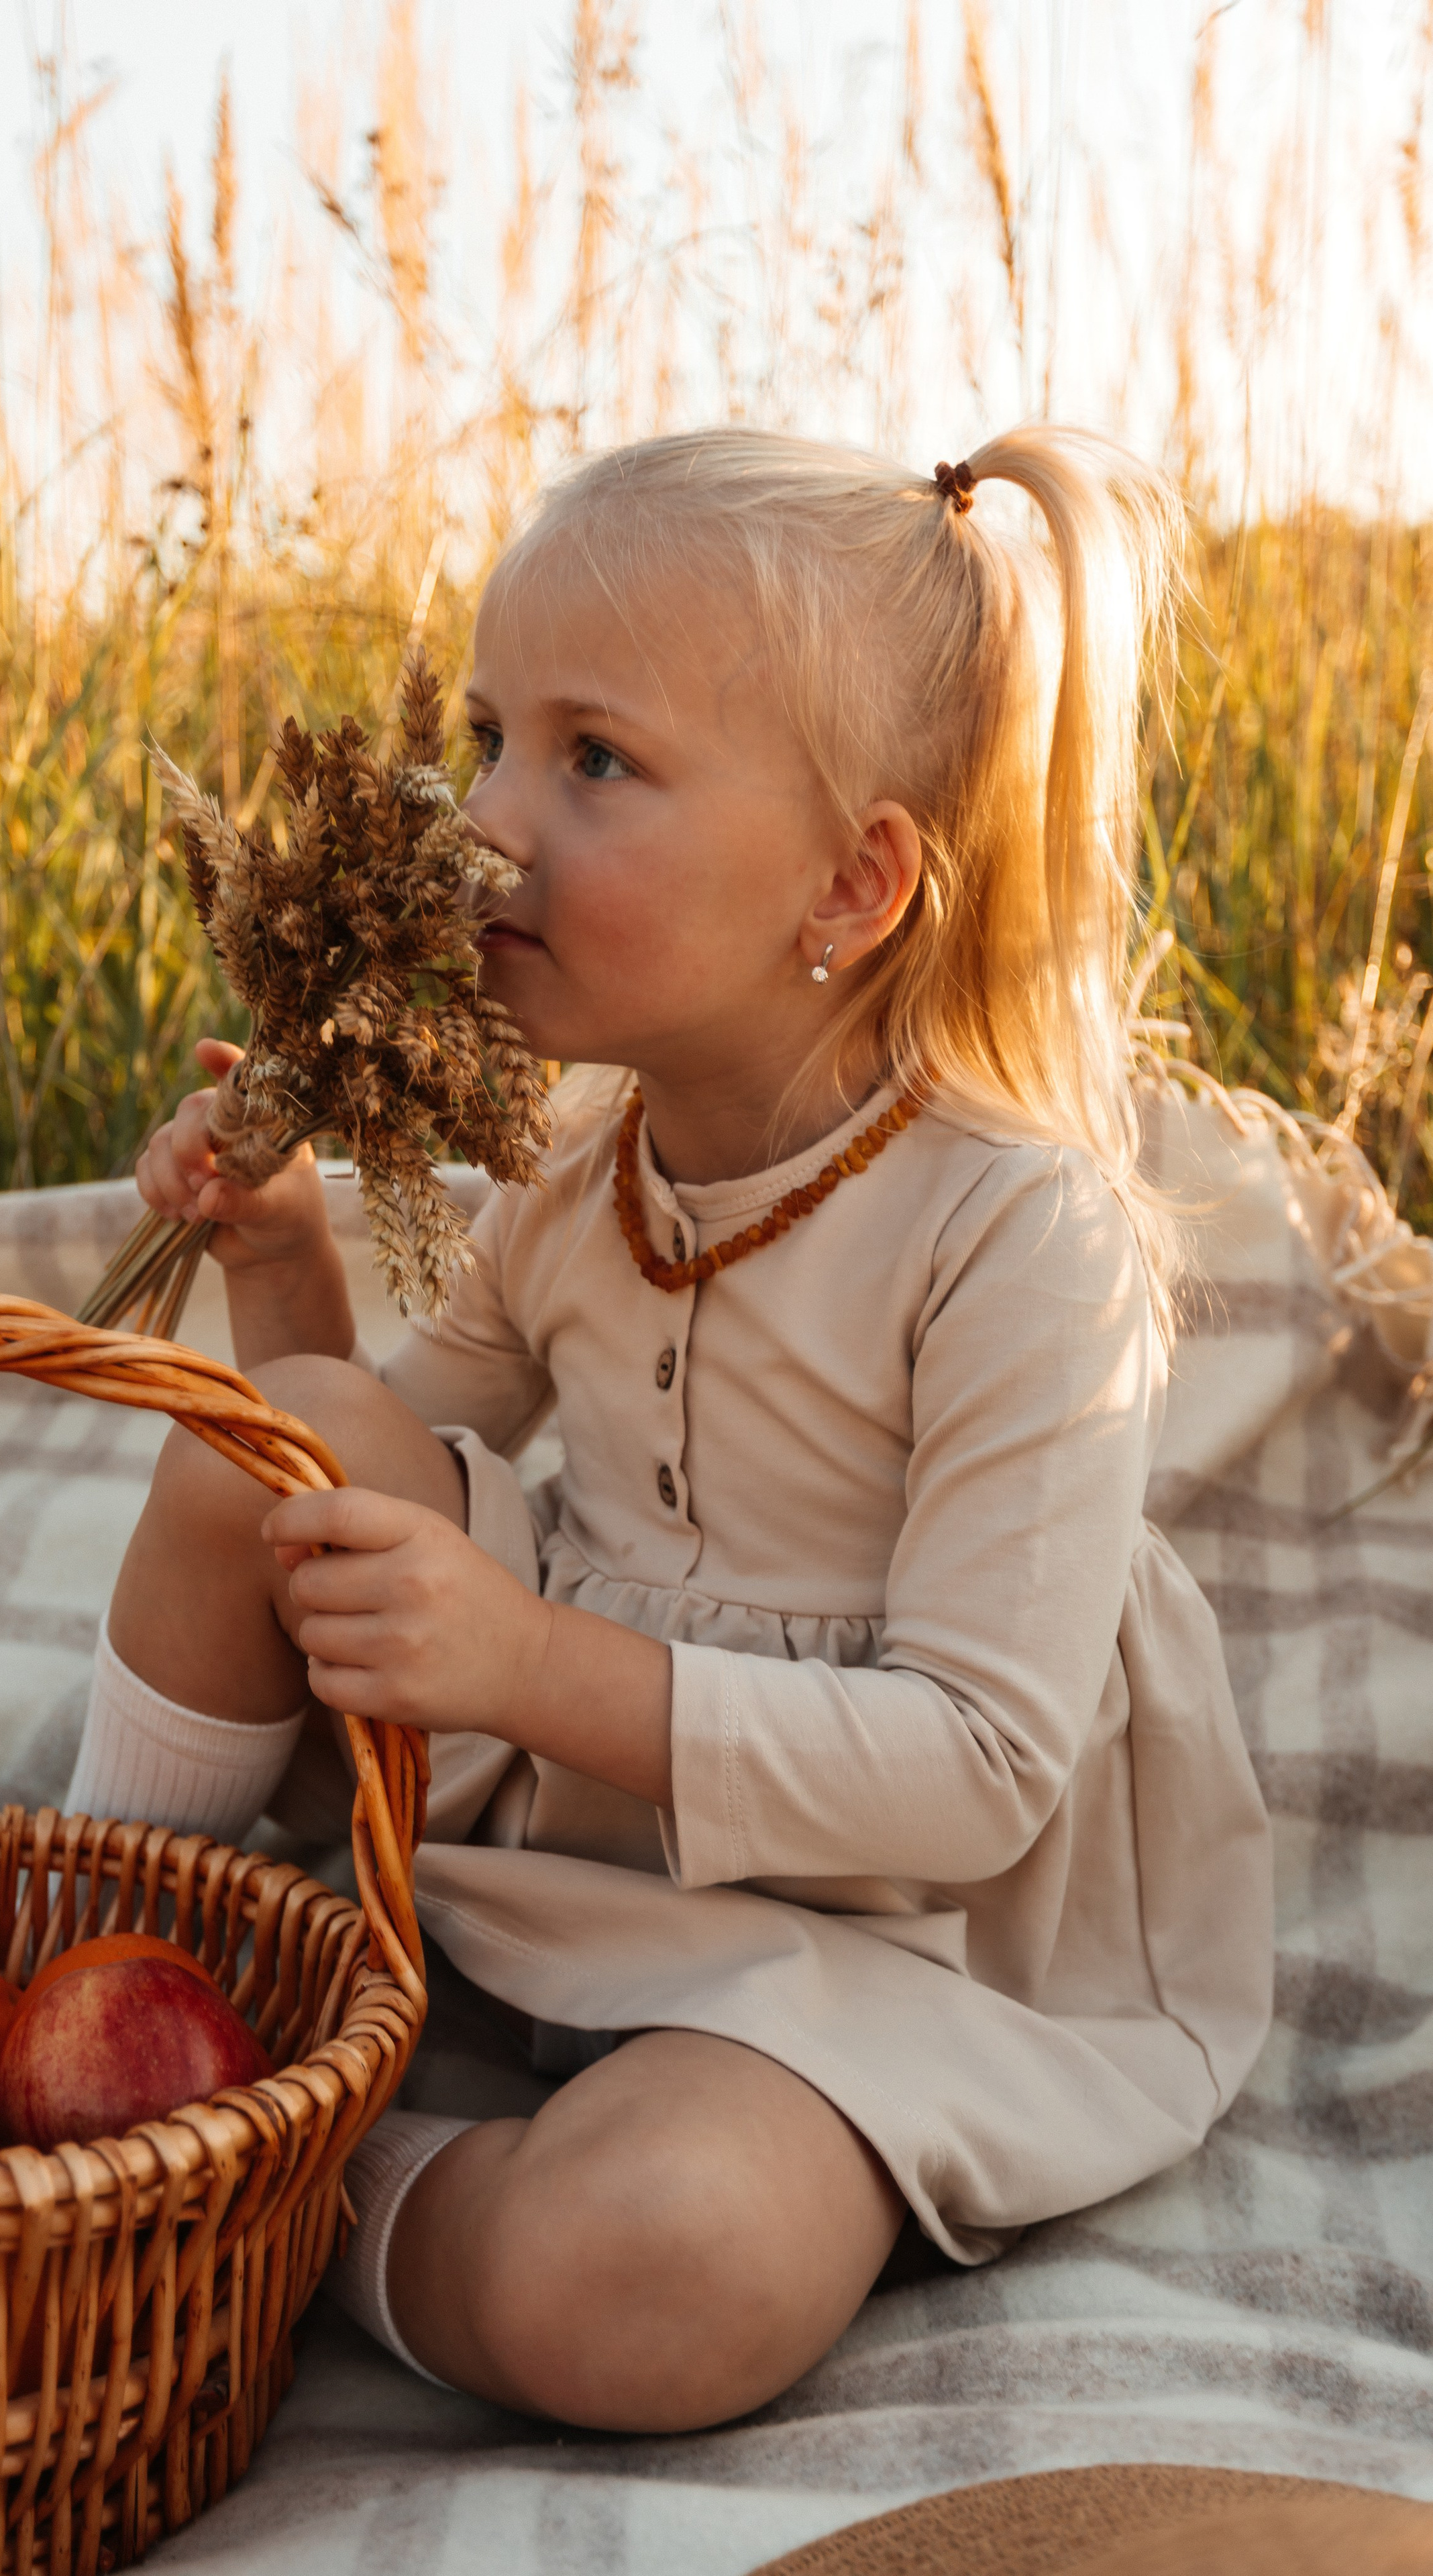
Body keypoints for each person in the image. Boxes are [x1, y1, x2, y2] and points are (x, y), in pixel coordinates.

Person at [66, 426, 1273, 2434]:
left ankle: (261, 2199)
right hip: (575, 1826)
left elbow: (976, 1771)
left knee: (658, 2274)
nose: (481, 825)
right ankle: (98, 1968)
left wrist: (527, 1662)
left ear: (854, 882)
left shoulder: (1019, 1232)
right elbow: (374, 1443)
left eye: (593, 761)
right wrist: (282, 1271)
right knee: (254, 1447)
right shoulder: (571, 1159)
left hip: (880, 1945)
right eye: (484, 737)